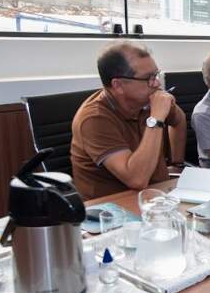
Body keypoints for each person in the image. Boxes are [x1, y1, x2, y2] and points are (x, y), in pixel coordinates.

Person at [71, 42, 186, 200]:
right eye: (148, 78)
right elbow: (137, 179)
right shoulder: (94, 118)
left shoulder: (149, 98)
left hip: (157, 196)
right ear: (118, 85)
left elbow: (179, 120)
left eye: (156, 74)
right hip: (113, 206)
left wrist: (177, 163)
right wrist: (156, 118)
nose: (157, 83)